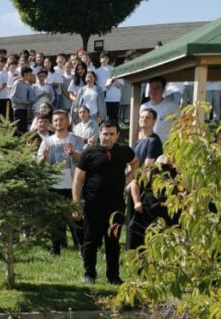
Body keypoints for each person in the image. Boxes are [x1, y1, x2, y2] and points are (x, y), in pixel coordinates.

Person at [73, 120, 139, 284]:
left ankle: (113, 276)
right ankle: (90, 274)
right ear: (99, 134)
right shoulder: (89, 153)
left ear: (117, 136)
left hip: (115, 206)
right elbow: (77, 180)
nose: (107, 137)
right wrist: (76, 204)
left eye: (111, 134)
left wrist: (128, 178)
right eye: (104, 133)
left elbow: (136, 161)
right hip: (93, 205)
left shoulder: (124, 151)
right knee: (90, 241)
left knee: (113, 242)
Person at [38, 110, 85, 255]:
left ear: (68, 121)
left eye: (62, 120)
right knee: (55, 219)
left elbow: (83, 160)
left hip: (72, 185)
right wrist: (43, 158)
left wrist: (73, 154)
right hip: (53, 185)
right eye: (56, 120)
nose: (59, 123)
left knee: (76, 217)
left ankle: (82, 247)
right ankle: (55, 249)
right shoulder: (47, 141)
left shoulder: (75, 139)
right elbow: (38, 163)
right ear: (53, 123)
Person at [126, 107, 164, 250]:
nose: (143, 119)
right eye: (142, 117)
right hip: (134, 185)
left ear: (154, 121)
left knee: (140, 226)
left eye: (147, 117)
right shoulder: (138, 142)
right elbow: (131, 165)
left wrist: (133, 183)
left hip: (146, 189)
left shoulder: (154, 141)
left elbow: (147, 167)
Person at [140, 77, 181, 143]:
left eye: (157, 87)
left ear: (163, 89)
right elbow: (141, 128)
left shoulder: (172, 106)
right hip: (148, 144)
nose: (154, 90)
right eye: (152, 87)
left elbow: (180, 124)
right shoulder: (143, 107)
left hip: (166, 146)